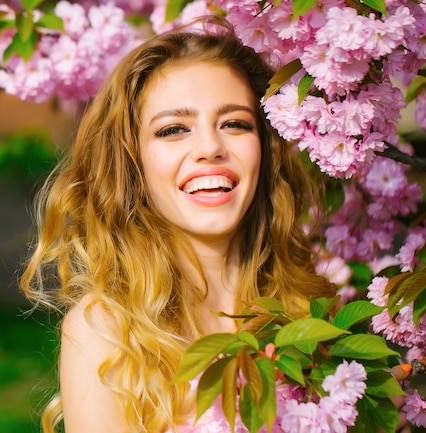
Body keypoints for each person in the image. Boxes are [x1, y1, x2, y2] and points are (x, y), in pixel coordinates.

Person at [19, 15, 339, 433]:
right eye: (173, 130)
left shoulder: (310, 308)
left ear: (265, 146)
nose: (210, 147)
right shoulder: (107, 333)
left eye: (235, 124)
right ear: (132, 163)